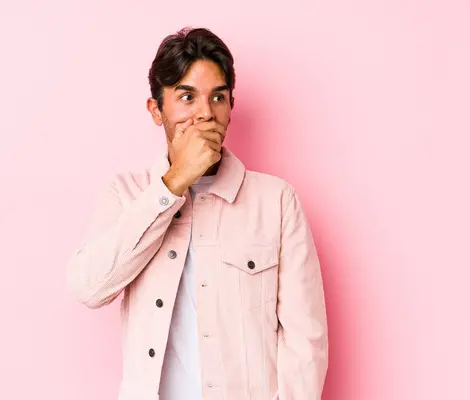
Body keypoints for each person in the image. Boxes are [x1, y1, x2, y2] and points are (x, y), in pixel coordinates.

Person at [66, 27, 328, 400]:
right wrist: (172, 185)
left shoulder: (277, 202)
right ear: (156, 110)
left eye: (218, 97)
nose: (206, 114)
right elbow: (89, 287)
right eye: (186, 97)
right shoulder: (126, 194)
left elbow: (307, 344)